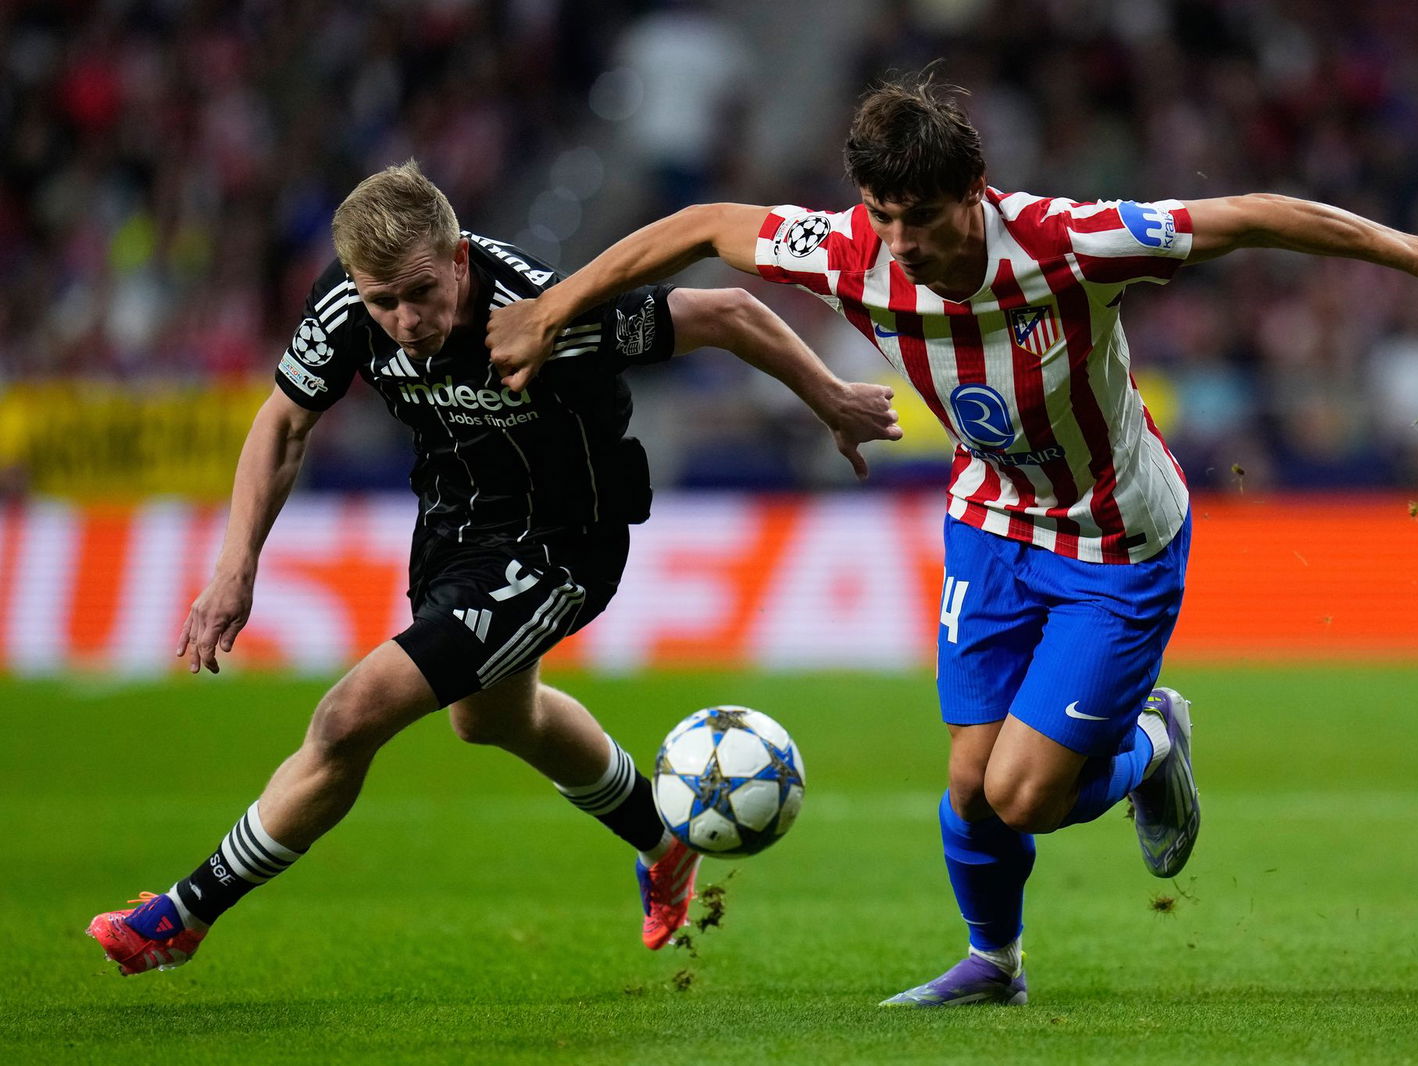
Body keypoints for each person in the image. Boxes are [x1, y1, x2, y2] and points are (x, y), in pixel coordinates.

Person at [483, 73, 1418, 1007]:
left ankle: (1154, 740)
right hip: (989, 523)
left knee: (1024, 793)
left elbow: (1253, 216)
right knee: (969, 787)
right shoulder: (851, 250)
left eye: (922, 216)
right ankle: (994, 962)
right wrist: (553, 306)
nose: (899, 241)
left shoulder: (1067, 243)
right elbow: (705, 225)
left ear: (974, 190)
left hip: (1115, 539)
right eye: (882, 215)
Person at [85, 160, 901, 977]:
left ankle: (180, 917)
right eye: (383, 301)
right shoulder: (346, 305)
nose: (403, 320)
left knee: (348, 718)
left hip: (561, 540)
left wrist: (833, 398)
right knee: (494, 720)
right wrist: (236, 565)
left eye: (420, 294)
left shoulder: (544, 313)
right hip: (453, 524)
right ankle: (664, 845)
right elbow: (285, 422)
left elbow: (723, 310)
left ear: (459, 263)